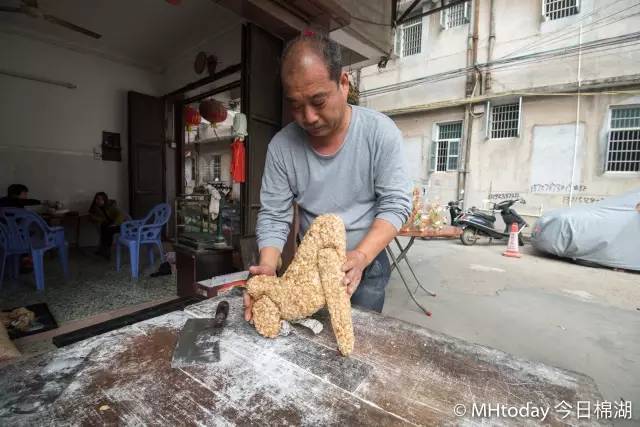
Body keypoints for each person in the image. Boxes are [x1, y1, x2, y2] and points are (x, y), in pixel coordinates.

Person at [243, 32, 411, 321]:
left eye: (318, 101)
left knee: (358, 342)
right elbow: (274, 215)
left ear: (343, 83)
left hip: (366, 263)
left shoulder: (380, 133)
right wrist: (269, 267)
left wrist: (359, 257)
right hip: (311, 269)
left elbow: (396, 204)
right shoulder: (282, 148)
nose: (307, 117)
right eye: (296, 105)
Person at [89, 192, 126, 260]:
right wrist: (101, 219)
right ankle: (104, 249)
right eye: (96, 199)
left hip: (121, 225)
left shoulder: (110, 207)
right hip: (108, 225)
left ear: (104, 200)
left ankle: (106, 250)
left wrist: (115, 223)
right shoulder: (95, 208)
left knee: (107, 230)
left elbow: (121, 215)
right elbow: (92, 217)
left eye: (100, 199)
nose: (98, 201)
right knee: (104, 227)